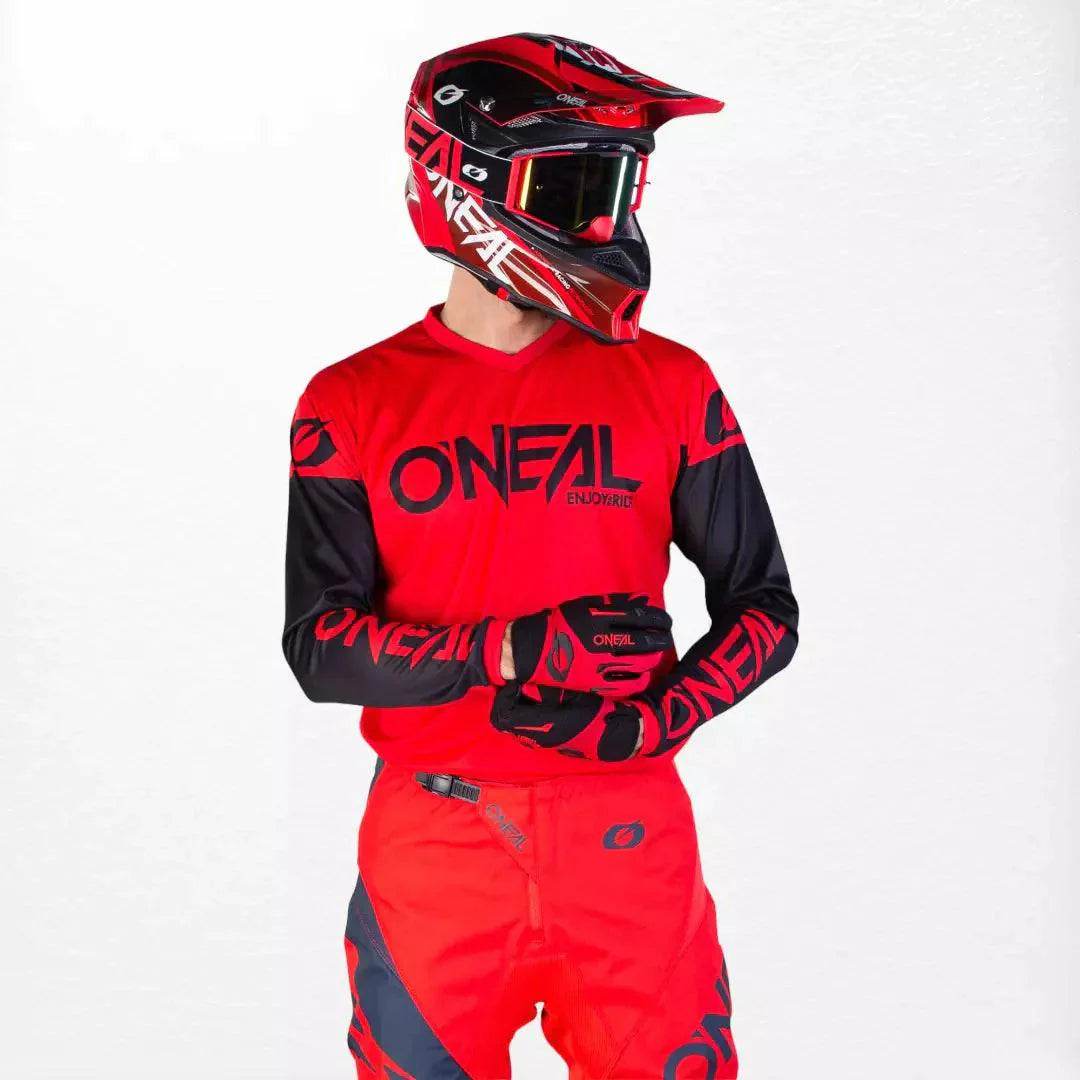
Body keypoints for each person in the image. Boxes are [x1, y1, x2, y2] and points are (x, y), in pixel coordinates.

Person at [283, 32, 798, 1079]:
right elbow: (319, 650)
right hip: (435, 844)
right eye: (572, 188)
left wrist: (661, 716)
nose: (603, 225)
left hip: (627, 830)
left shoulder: (672, 382)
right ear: (465, 185)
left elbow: (765, 605)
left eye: (615, 189)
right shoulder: (349, 401)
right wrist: (508, 648)